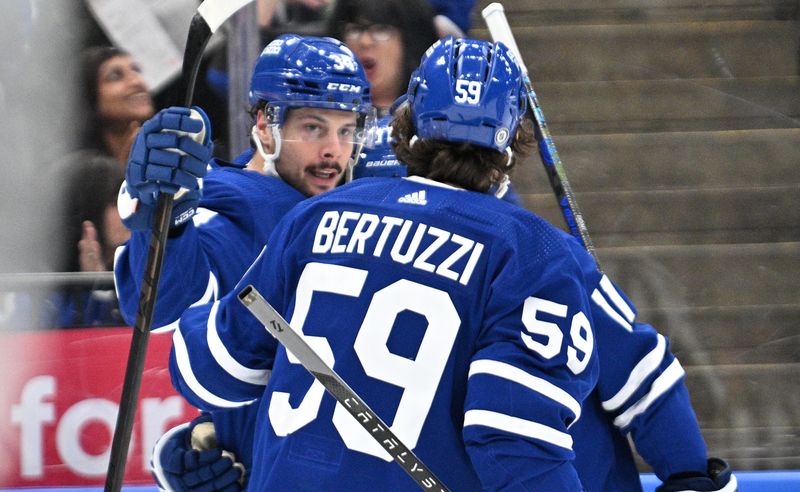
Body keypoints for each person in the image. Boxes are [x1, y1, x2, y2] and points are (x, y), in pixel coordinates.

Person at [167, 36, 600, 490]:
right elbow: (515, 443)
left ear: (407, 122)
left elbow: (209, 373)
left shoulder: (318, 216)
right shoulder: (535, 254)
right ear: (513, 142)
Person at [113, 34, 374, 489]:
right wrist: (168, 227)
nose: (334, 149)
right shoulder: (234, 205)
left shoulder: (360, 201)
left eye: (347, 130)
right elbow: (161, 305)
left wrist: (186, 444)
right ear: (265, 124)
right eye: (314, 127)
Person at [52, 151, 129, 327]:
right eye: (113, 203)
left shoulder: (140, 273)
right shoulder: (50, 288)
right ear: (88, 210)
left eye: (127, 200)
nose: (127, 212)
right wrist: (93, 286)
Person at [326, 0, 438, 114]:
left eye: (381, 30)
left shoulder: (436, 117)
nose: (365, 41)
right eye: (355, 29)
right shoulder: (323, 112)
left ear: (411, 42)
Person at [78, 46, 155, 166]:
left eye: (136, 70)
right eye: (115, 76)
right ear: (89, 96)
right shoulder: (78, 172)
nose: (137, 82)